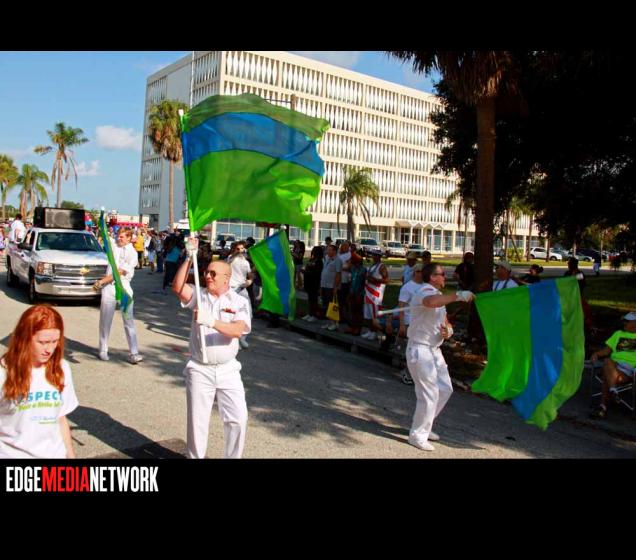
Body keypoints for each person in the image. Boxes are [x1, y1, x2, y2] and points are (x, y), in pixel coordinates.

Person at [172, 237, 251, 458]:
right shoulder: (200, 295)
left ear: (227, 278)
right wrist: (189, 257)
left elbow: (238, 330)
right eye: (207, 272)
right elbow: (178, 287)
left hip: (228, 369)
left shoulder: (238, 301)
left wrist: (211, 321)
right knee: (197, 421)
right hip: (200, 368)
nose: (208, 276)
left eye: (213, 274)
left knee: (238, 418)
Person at [406, 263, 475, 451]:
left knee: (445, 389)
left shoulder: (439, 296)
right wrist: (457, 296)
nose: (445, 276)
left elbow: (445, 321)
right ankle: (417, 435)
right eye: (442, 274)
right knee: (429, 393)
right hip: (420, 349)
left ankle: (425, 425)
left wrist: (448, 331)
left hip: (434, 351)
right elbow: (430, 302)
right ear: (432, 277)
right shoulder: (424, 291)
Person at [0, 305, 78, 458]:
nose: (49, 349)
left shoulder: (62, 368)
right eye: (43, 342)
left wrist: (71, 456)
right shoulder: (3, 372)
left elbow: (60, 418)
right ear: (24, 338)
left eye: (55, 341)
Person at [94, 227, 143, 364]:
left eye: (122, 237)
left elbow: (119, 272)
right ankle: (103, 349)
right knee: (105, 319)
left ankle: (134, 353)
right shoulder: (114, 246)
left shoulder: (133, 253)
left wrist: (101, 281)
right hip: (109, 288)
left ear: (129, 238)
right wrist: (101, 223)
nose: (118, 238)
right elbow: (103, 233)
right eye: (118, 236)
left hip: (123, 287)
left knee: (128, 320)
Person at [590, 312, 636, 419]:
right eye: (624, 321)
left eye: (627, 321)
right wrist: (596, 354)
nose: (624, 323)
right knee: (607, 362)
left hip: (631, 369)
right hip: (615, 367)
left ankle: (603, 407)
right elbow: (607, 351)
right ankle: (613, 390)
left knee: (607, 374)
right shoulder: (618, 334)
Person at [228, 240, 253, 349]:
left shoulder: (246, 262)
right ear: (234, 249)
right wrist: (235, 254)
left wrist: (250, 281)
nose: (240, 250)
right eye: (237, 249)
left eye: (242, 248)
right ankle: (234, 340)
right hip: (231, 289)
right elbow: (228, 264)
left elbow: (250, 275)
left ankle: (242, 338)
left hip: (242, 289)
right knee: (232, 315)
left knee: (248, 314)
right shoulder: (230, 258)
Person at [362, 250, 390, 340]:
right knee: (368, 315)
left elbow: (387, 280)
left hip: (376, 295)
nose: (374, 257)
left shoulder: (381, 267)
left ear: (379, 256)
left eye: (376, 255)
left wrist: (375, 280)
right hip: (368, 292)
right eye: (373, 255)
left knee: (375, 316)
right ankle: (371, 331)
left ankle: (376, 333)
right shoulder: (372, 265)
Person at [320, 244, 342, 331]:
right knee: (326, 305)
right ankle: (329, 322)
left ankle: (335, 323)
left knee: (332, 305)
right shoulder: (327, 258)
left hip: (331, 286)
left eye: (329, 250)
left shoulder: (338, 260)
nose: (327, 251)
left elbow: (338, 274)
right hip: (324, 285)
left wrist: (335, 287)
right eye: (327, 250)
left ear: (334, 251)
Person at [345, 252, 366, 335]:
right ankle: (352, 326)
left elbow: (363, 283)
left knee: (358, 311)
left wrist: (359, 293)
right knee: (351, 310)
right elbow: (351, 280)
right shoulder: (353, 268)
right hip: (352, 291)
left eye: (352, 260)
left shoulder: (363, 270)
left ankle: (358, 328)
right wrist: (350, 292)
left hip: (359, 293)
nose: (351, 261)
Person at [301, 245, 324, 322]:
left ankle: (314, 315)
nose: (312, 251)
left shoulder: (319, 262)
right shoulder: (312, 259)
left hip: (314, 282)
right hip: (308, 281)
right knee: (310, 299)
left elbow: (317, 273)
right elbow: (308, 267)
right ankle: (310, 313)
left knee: (314, 299)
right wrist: (305, 270)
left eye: (314, 250)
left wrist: (306, 272)